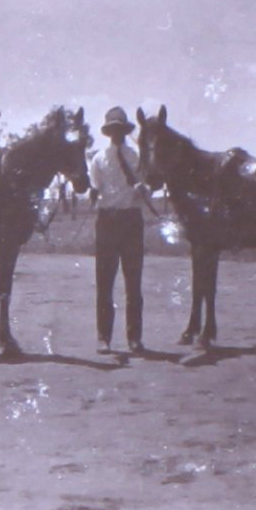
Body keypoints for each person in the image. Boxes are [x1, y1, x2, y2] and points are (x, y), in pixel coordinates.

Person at [89, 106, 149, 354]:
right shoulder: (98, 159)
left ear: (125, 131)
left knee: (133, 283)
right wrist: (93, 193)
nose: (117, 134)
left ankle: (134, 338)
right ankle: (104, 338)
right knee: (105, 283)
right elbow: (94, 187)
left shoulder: (136, 157)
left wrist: (142, 189)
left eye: (120, 129)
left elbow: (147, 187)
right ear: (108, 132)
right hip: (107, 222)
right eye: (112, 129)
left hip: (131, 221)